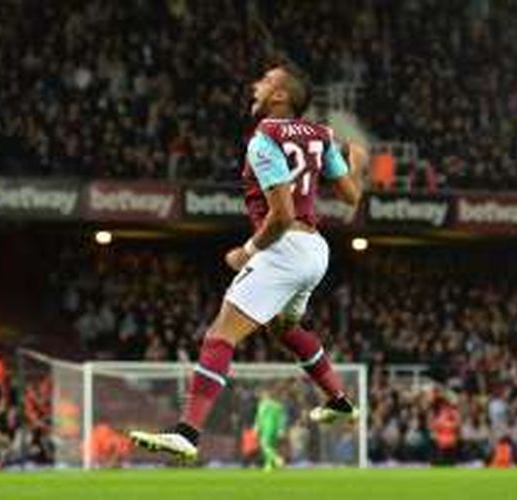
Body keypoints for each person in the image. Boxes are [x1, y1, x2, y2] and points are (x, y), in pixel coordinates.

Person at [130, 63, 366, 459]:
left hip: (285, 248)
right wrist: (355, 163)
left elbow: (282, 215)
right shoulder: (321, 135)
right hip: (315, 252)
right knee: (283, 327)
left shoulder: (263, 140)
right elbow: (351, 197)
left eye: (265, 81)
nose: (255, 85)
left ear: (279, 97)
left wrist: (247, 252)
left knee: (220, 336)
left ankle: (187, 432)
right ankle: (339, 400)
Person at [253, 387, 287, 471]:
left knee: (265, 446)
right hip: (276, 429)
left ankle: (277, 459)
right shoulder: (278, 405)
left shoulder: (263, 404)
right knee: (272, 446)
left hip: (266, 428)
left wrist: (256, 427)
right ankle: (269, 465)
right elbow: (283, 418)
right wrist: (281, 429)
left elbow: (259, 417)